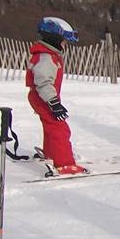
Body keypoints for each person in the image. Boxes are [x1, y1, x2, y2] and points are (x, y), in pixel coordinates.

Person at [26, 16, 85, 175]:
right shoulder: (46, 58)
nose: (65, 45)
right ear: (54, 38)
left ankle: (51, 153)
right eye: (64, 41)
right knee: (60, 128)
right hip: (44, 98)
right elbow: (43, 83)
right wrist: (54, 103)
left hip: (41, 97)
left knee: (51, 126)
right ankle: (64, 163)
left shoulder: (47, 54)